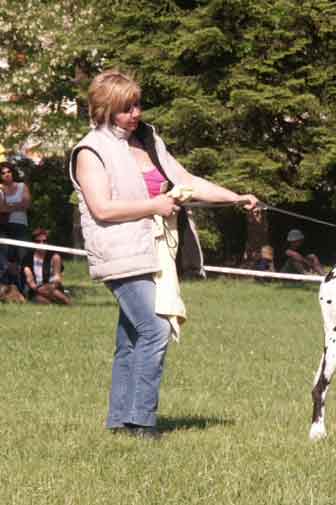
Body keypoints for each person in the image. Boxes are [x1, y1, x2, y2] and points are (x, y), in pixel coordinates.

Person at [70, 69, 258, 440]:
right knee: (154, 329)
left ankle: (121, 421)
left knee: (130, 337)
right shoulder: (90, 151)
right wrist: (154, 206)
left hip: (154, 250)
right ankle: (142, 421)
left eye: (137, 104)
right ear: (105, 109)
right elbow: (102, 209)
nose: (136, 113)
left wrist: (236, 197)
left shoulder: (148, 140)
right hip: (120, 252)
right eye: (126, 108)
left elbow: (186, 181)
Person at [21, 228, 71, 305]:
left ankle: (68, 303)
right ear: (33, 243)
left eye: (44, 241)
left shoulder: (55, 257)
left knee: (53, 292)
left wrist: (50, 287)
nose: (42, 244)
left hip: (52, 287)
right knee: (40, 300)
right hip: (36, 290)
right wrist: (38, 289)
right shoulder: (28, 258)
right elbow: (30, 281)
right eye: (38, 241)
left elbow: (57, 279)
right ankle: (62, 301)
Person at [0, 162, 31, 262]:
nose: (7, 174)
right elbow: (1, 209)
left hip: (20, 225)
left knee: (23, 255)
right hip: (3, 226)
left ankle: (23, 276)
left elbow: (26, 205)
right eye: (3, 173)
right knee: (5, 255)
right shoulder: (0, 189)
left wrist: (8, 206)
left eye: (9, 171)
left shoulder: (22, 186)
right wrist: (18, 205)